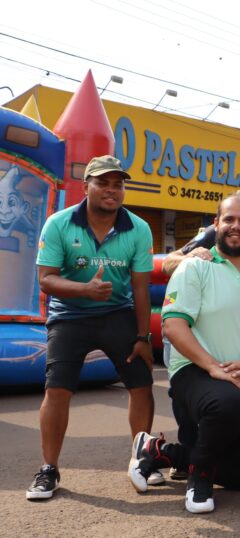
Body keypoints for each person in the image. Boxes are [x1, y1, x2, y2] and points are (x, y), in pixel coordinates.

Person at [128, 195, 240, 514]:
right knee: (226, 402)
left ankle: (160, 451)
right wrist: (214, 368)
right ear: (216, 225)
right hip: (197, 373)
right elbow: (173, 325)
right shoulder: (195, 268)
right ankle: (198, 482)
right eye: (229, 220)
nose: (236, 227)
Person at [26, 155, 155, 501]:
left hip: (117, 313)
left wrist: (143, 338)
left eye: (118, 184)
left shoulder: (138, 228)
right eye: (103, 183)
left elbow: (141, 288)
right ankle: (49, 469)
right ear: (86, 187)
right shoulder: (59, 223)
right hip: (69, 314)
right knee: (57, 389)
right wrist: (85, 289)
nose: (111, 191)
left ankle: (141, 460)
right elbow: (46, 280)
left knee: (142, 383)